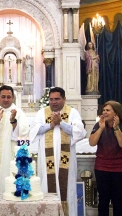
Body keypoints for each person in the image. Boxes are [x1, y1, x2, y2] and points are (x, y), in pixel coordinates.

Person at [29, 87, 86, 216]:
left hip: (66, 159)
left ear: (64, 99)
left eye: (57, 99)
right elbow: (34, 131)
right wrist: (51, 125)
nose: (54, 102)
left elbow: (80, 132)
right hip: (46, 159)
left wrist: (62, 123)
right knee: (46, 186)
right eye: (51, 99)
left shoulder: (72, 113)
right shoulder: (42, 113)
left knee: (67, 189)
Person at [89, 100, 122, 216]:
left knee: (117, 199)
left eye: (108, 110)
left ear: (116, 113)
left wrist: (116, 128)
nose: (104, 112)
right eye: (103, 110)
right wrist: (101, 128)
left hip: (119, 168)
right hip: (102, 167)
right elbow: (92, 143)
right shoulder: (99, 125)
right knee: (103, 199)